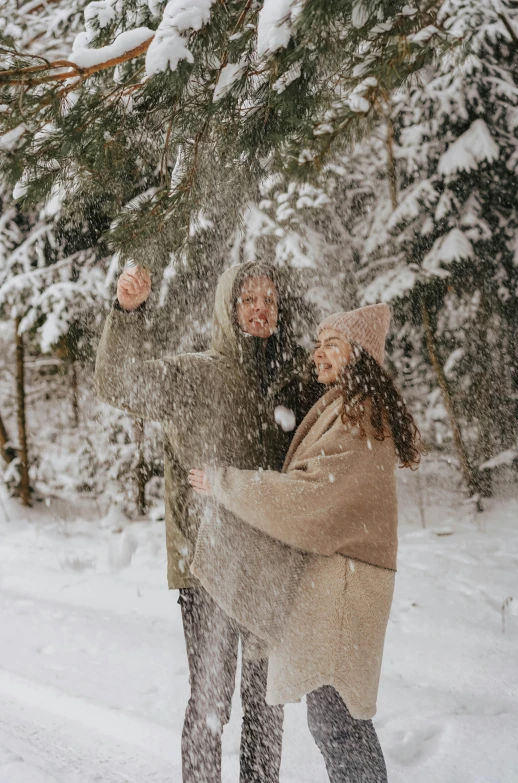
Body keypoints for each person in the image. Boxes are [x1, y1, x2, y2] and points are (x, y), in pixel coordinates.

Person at [95, 261, 320, 783]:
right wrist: (128, 314)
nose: (261, 308)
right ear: (228, 308)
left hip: (271, 570)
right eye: (249, 300)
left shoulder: (294, 383)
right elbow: (117, 381)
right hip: (209, 569)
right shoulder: (196, 377)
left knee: (267, 704)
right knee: (211, 701)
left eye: (269, 300)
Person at [189, 303, 423, 783]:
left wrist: (227, 484)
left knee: (340, 727)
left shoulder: (359, 417)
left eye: (330, 345)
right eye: (318, 345)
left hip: (345, 588)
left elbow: (307, 501)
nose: (318, 355)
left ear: (358, 355)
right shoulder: (349, 407)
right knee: (337, 723)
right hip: (343, 583)